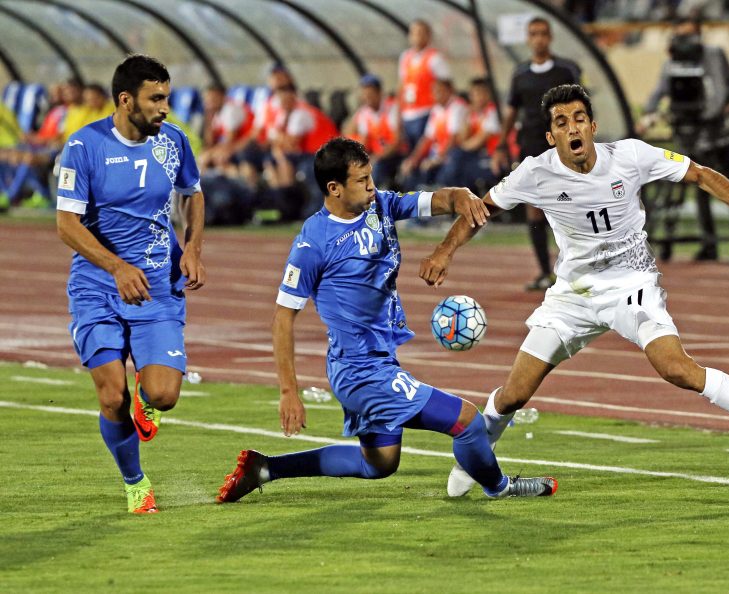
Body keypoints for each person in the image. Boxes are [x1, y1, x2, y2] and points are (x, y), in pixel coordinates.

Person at [418, 84, 729, 497]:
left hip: (632, 283)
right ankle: (474, 460)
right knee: (514, 394)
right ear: (551, 137)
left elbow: (699, 173)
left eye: (577, 118)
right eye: (560, 122)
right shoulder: (535, 173)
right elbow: (478, 209)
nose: (571, 128)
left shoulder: (630, 156)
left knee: (676, 369)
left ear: (592, 125)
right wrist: (445, 251)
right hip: (573, 295)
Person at [216, 138, 557, 503]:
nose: (371, 186)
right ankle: (501, 488)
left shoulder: (380, 206)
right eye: (362, 180)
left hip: (375, 363)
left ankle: (265, 468)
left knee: (378, 463)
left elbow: (441, 199)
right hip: (361, 372)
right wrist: (288, 391)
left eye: (371, 176)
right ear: (334, 189)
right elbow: (283, 318)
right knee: (468, 422)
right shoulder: (313, 242)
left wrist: (464, 200)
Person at [55, 55, 206, 514]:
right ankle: (135, 482)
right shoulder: (83, 147)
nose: (165, 107)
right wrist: (117, 267)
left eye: (167, 97)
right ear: (126, 100)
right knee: (111, 395)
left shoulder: (174, 142)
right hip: (98, 286)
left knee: (163, 394)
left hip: (158, 284)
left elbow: (192, 193)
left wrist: (194, 247)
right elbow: (66, 224)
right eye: (155, 98)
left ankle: (150, 397)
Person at [636, 17, 729, 261]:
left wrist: (725, 105)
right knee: (702, 190)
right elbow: (660, 91)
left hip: (721, 134)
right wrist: (648, 114)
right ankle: (709, 244)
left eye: (688, 35)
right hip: (692, 136)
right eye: (680, 36)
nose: (684, 42)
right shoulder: (672, 63)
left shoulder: (714, 56)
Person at [495, 16, 582, 291]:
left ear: (550, 37)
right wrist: (501, 144)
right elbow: (511, 111)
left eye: (543, 33)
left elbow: (581, 105)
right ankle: (546, 272)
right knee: (534, 210)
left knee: (572, 205)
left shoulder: (566, 70)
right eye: (533, 34)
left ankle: (579, 268)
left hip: (563, 147)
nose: (539, 39)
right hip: (531, 147)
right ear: (528, 39)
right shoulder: (520, 74)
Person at [397, 19, 451, 153]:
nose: (416, 36)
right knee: (409, 151)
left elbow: (447, 86)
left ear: (428, 36)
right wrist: (399, 111)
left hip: (426, 112)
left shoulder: (435, 58)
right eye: (414, 33)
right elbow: (402, 85)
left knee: (422, 152)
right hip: (408, 114)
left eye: (420, 33)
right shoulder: (405, 57)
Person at [342, 73, 403, 190]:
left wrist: (377, 157)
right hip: (377, 156)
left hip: (394, 155)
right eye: (365, 95)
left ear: (379, 93)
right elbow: (363, 141)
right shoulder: (365, 113)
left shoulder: (392, 109)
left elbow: (397, 142)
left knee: (375, 168)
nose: (367, 98)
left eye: (370, 95)